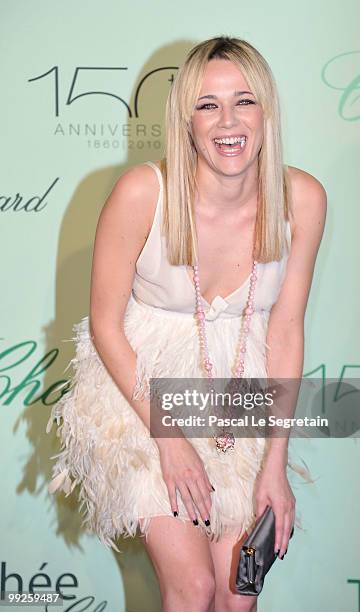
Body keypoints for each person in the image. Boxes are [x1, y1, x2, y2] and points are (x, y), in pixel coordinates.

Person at [46, 35, 326, 611]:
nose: (228, 121)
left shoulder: (302, 199)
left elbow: (286, 331)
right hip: (140, 391)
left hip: (236, 396)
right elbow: (104, 324)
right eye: (208, 104)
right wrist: (169, 438)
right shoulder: (143, 193)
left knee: (237, 595)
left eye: (244, 101)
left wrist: (276, 465)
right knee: (193, 589)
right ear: (186, 121)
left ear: (266, 111)